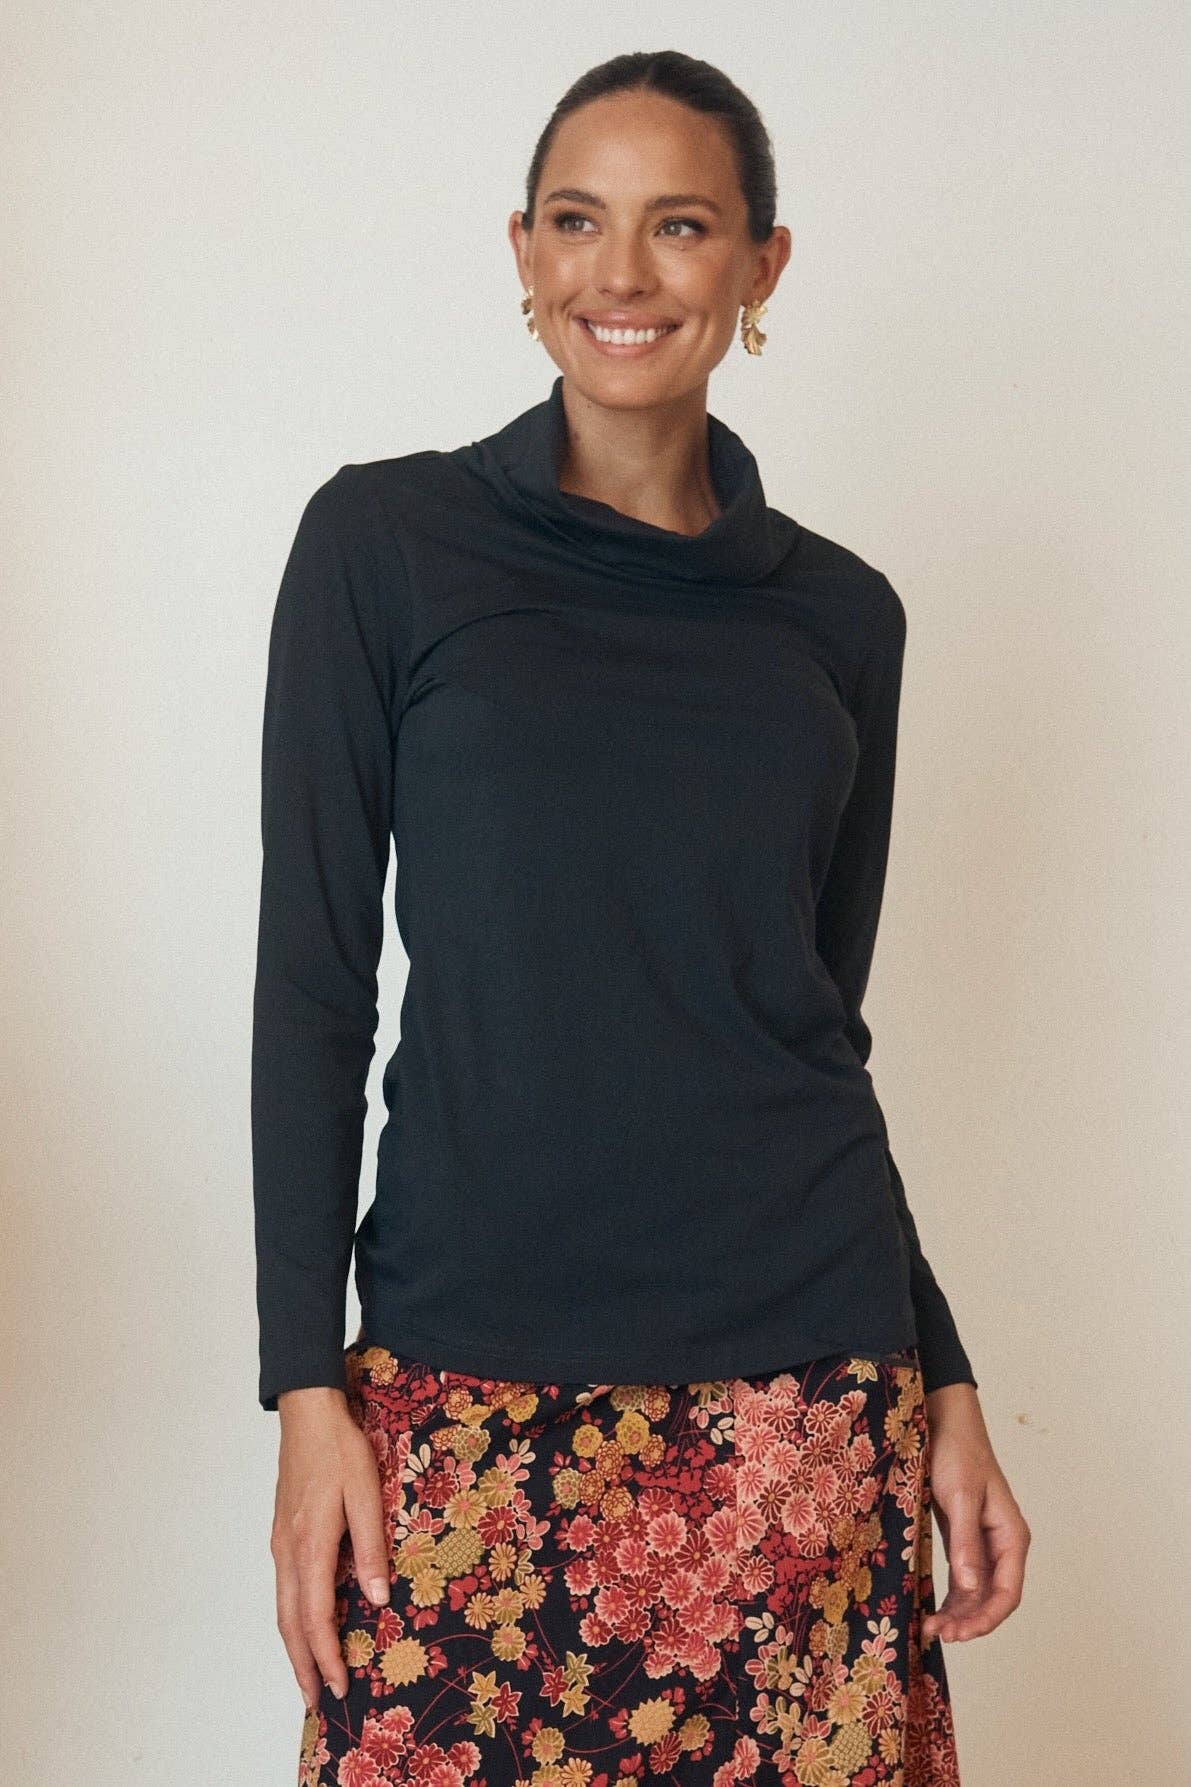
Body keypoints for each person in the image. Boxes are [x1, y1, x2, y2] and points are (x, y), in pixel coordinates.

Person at [252, 50, 1030, 1786]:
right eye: (578, 222)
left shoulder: (842, 618)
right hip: (463, 1378)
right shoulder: (387, 545)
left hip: (800, 1394)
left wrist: (945, 1374)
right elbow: (312, 986)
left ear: (761, 266)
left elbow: (810, 1025)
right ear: (522, 251)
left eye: (680, 226)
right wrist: (304, 1387)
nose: (622, 272)